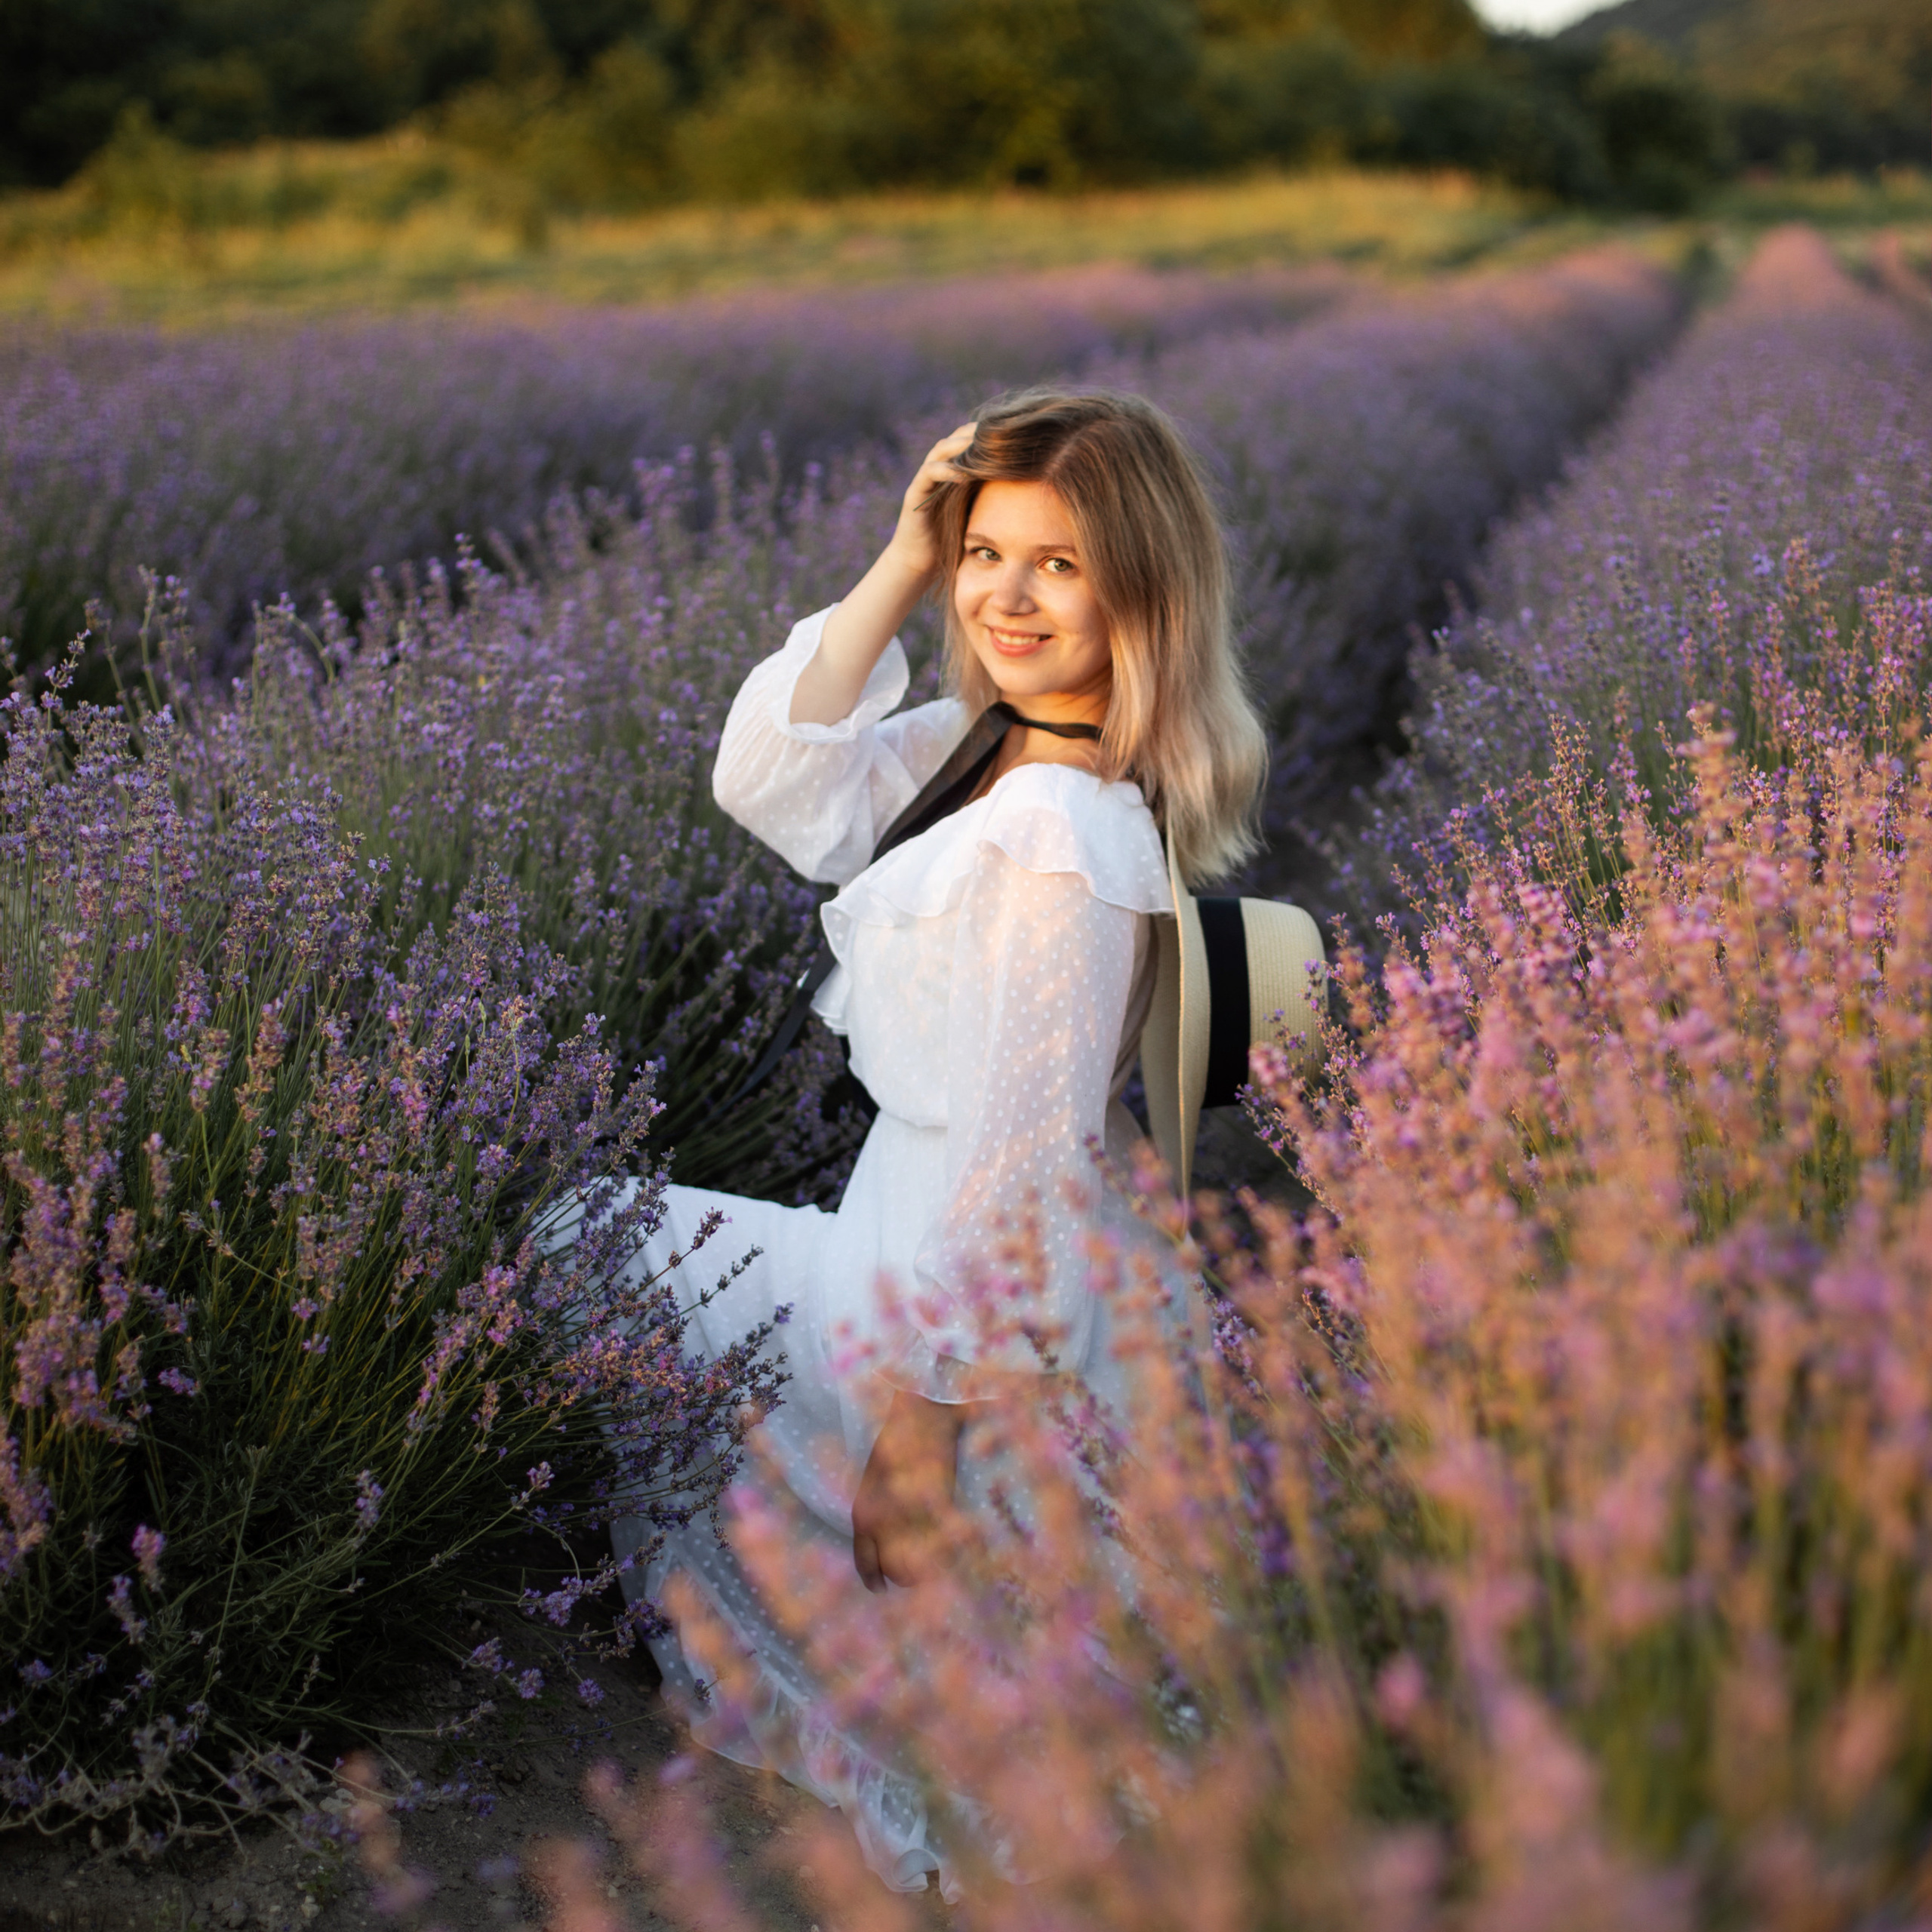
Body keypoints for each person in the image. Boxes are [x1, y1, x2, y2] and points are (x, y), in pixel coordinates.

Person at [606, 388, 1270, 1896]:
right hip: (913, 1222)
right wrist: (900, 561)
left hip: (967, 1279)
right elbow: (769, 780)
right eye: (988, 552)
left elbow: (1019, 1163)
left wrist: (923, 1419)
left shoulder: (1060, 830)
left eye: (1058, 562)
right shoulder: (989, 748)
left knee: (599, 1253)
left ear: (1141, 585)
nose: (1008, 594)